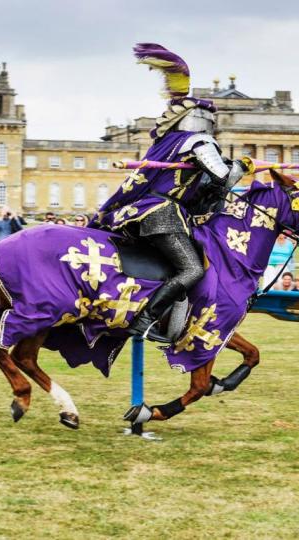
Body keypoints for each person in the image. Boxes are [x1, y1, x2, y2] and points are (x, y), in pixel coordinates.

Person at [89, 43, 253, 337]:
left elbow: (204, 187)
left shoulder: (170, 145)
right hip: (162, 215)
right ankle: (145, 320)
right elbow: (222, 176)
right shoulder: (199, 143)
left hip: (146, 212)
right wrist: (243, 166)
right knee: (192, 270)